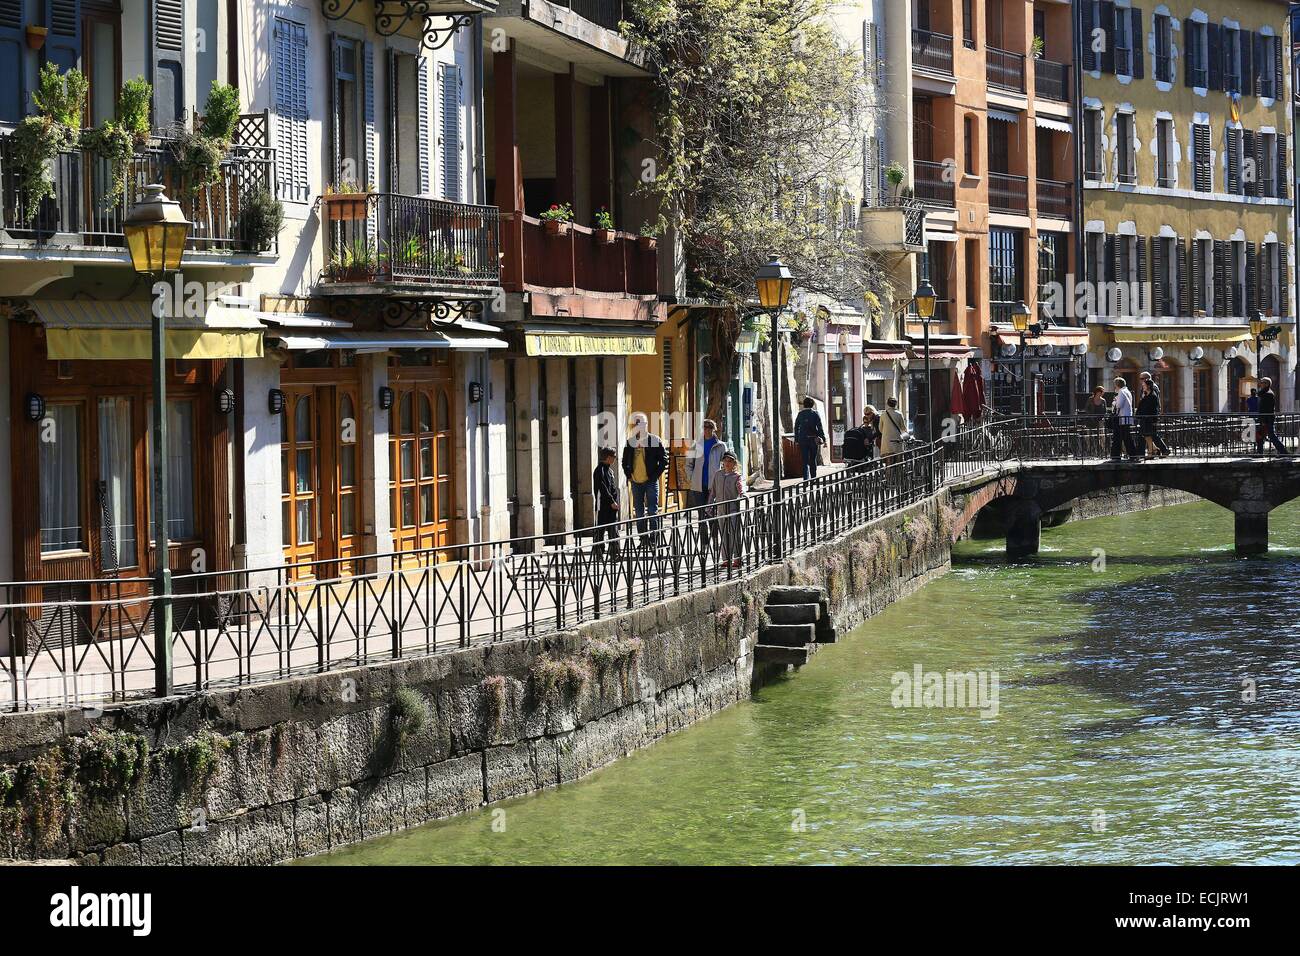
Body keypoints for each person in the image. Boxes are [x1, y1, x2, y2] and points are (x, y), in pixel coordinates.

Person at [622, 412, 667, 543]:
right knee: (640, 513)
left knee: (652, 511)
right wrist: (628, 475)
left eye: (640, 423)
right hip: (636, 482)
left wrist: (654, 477)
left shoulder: (654, 440)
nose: (638, 426)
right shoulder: (630, 442)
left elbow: (664, 460)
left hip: (650, 482)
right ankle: (643, 539)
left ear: (646, 425)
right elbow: (624, 461)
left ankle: (654, 538)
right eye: (636, 423)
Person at [708, 450, 746, 569]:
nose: (727, 463)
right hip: (721, 510)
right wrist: (709, 506)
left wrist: (743, 494)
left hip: (733, 509)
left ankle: (737, 558)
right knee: (724, 534)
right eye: (725, 461)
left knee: (734, 534)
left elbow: (740, 487)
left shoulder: (737, 476)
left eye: (730, 461)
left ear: (735, 463)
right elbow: (713, 492)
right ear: (722, 462)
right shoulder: (718, 475)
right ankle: (726, 559)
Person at [686, 418, 728, 510]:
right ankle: (702, 525)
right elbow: (688, 464)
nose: (707, 430)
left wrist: (723, 478)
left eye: (710, 428)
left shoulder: (721, 446)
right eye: (705, 428)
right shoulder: (695, 446)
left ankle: (712, 525)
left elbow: (727, 463)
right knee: (701, 512)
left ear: (714, 429)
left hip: (714, 483)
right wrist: (691, 478)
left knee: (711, 511)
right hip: (698, 483)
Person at [592, 447, 621, 558]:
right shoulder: (600, 471)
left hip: (612, 505)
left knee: (613, 529)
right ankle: (599, 551)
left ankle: (614, 553)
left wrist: (615, 502)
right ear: (608, 457)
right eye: (614, 457)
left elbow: (612, 488)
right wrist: (611, 501)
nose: (615, 459)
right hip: (603, 505)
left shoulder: (609, 470)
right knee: (601, 529)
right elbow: (603, 488)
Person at [1136, 375, 1170, 458]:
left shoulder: (1153, 396)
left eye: (1144, 385)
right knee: (1147, 435)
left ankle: (1163, 450)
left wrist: (1154, 419)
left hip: (1150, 419)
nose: (1142, 387)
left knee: (1153, 435)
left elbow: (1153, 408)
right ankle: (1152, 452)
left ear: (1148, 386)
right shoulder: (1146, 396)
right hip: (1145, 419)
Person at [1110, 376, 1141, 461]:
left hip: (1122, 418)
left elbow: (1119, 405)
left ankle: (1117, 455)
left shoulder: (1121, 392)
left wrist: (1114, 402)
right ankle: (1132, 455)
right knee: (1126, 437)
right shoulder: (1127, 391)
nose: (1114, 387)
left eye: (1115, 385)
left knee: (1120, 437)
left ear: (1117, 385)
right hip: (1126, 418)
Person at [794, 397, 826, 480]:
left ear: (804, 405)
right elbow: (820, 427)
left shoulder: (800, 414)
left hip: (803, 439)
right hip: (813, 440)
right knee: (812, 459)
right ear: (812, 405)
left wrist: (797, 439)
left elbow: (796, 427)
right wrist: (823, 438)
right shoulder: (815, 414)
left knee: (805, 461)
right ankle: (813, 478)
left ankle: (806, 479)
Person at [1255, 377, 1288, 455]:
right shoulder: (1265, 393)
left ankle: (1283, 452)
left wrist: (1263, 421)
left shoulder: (1268, 393)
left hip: (1267, 419)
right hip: (1264, 418)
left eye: (1262, 382)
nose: (1260, 384)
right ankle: (1260, 453)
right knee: (1260, 436)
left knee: (1271, 436)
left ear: (1266, 384)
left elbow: (1266, 408)